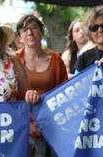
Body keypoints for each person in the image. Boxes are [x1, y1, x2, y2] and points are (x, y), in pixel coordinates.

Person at [15, 15, 68, 157]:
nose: (30, 33)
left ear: (41, 32)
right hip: (23, 126)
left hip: (54, 125)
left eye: (34, 28)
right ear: (20, 36)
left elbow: (65, 93)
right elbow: (11, 98)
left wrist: (49, 122)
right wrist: (28, 124)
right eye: (25, 30)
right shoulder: (13, 61)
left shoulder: (57, 60)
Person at [0, 21, 29, 102]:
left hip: (10, 114)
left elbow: (26, 98)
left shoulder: (13, 60)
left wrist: (32, 96)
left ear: (0, 35)